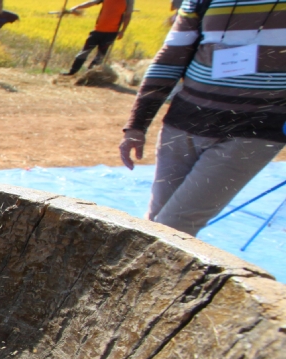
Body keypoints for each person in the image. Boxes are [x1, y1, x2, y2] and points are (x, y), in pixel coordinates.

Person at [119, 0, 286, 235]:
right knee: (155, 222)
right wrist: (137, 125)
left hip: (253, 132)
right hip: (183, 123)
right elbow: (171, 57)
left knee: (175, 226)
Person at [64, 0, 134, 75]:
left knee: (100, 56)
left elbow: (128, 15)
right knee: (84, 52)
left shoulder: (129, 0)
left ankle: (88, 75)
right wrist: (77, 7)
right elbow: (92, 2)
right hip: (97, 30)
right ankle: (72, 72)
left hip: (111, 33)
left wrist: (122, 31)